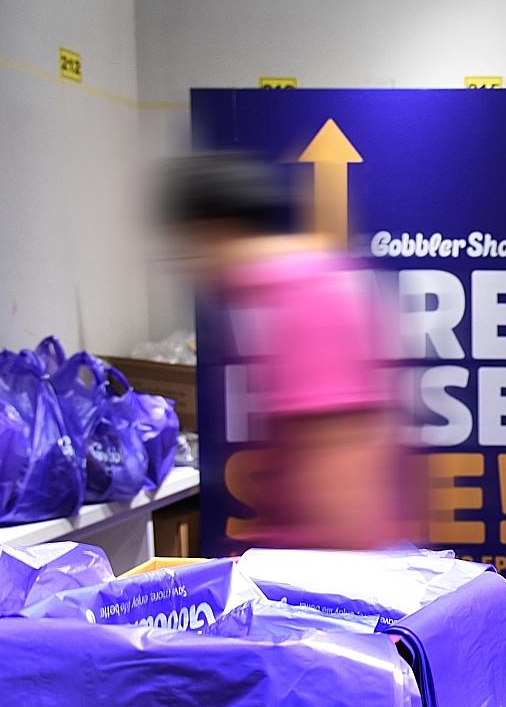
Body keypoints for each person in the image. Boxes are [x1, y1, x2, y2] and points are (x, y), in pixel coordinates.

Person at [161, 151, 411, 552]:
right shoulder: (294, 288)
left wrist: (274, 579)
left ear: (213, 233)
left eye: (187, 247)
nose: (187, 266)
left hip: (332, 577)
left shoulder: (305, 295)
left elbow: (344, 495)